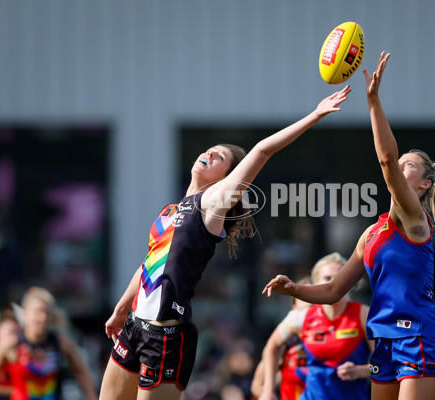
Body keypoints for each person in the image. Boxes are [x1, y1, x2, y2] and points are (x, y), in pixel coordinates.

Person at [99, 85, 351, 400]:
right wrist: (122, 308)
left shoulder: (212, 203)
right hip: (134, 326)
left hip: (165, 335)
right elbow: (149, 264)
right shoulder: (170, 211)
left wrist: (314, 115)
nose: (210, 153)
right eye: (210, 149)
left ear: (227, 179)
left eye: (221, 157)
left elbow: (261, 151)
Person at [263, 52, 435, 400]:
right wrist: (294, 290)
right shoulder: (372, 233)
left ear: (425, 185)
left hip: (417, 340)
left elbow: (386, 159)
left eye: (409, 165)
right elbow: (333, 290)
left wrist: (374, 102)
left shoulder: (415, 220)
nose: (400, 166)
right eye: (403, 162)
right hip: (383, 342)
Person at [260, 253, 372, 400]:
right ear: (316, 284)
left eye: (340, 277)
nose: (335, 283)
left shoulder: (363, 314)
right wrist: (268, 390)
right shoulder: (302, 317)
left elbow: (386, 364)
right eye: (327, 278)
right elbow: (272, 346)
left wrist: (360, 371)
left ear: (351, 282)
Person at [0, 287, 98, 400]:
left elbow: (81, 373)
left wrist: (92, 397)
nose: (43, 318)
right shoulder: (12, 344)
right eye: (37, 312)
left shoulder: (61, 343)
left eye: (47, 313)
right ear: (25, 314)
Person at [250, 277, 311, 400]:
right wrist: (269, 392)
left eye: (313, 298)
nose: (310, 303)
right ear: (294, 307)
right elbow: (257, 385)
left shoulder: (332, 336)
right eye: (304, 299)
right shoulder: (283, 344)